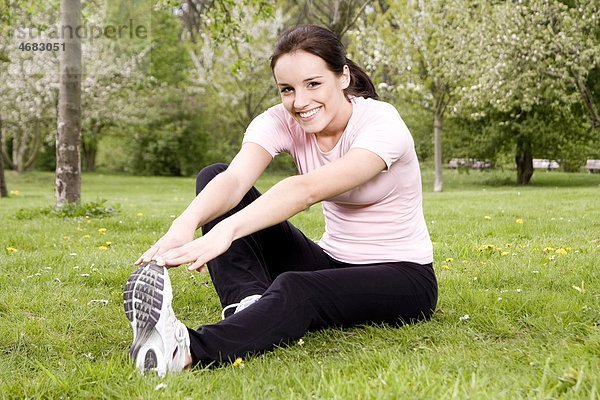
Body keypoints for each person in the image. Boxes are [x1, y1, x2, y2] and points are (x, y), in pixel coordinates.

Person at [123, 24, 437, 377]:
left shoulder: (382, 124)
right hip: (330, 260)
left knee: (298, 290)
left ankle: (183, 352)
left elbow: (305, 191)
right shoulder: (281, 120)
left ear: (343, 76)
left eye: (313, 84)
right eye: (287, 89)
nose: (300, 102)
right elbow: (234, 180)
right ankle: (247, 306)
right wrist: (183, 227)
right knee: (213, 175)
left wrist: (223, 233)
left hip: (403, 277)